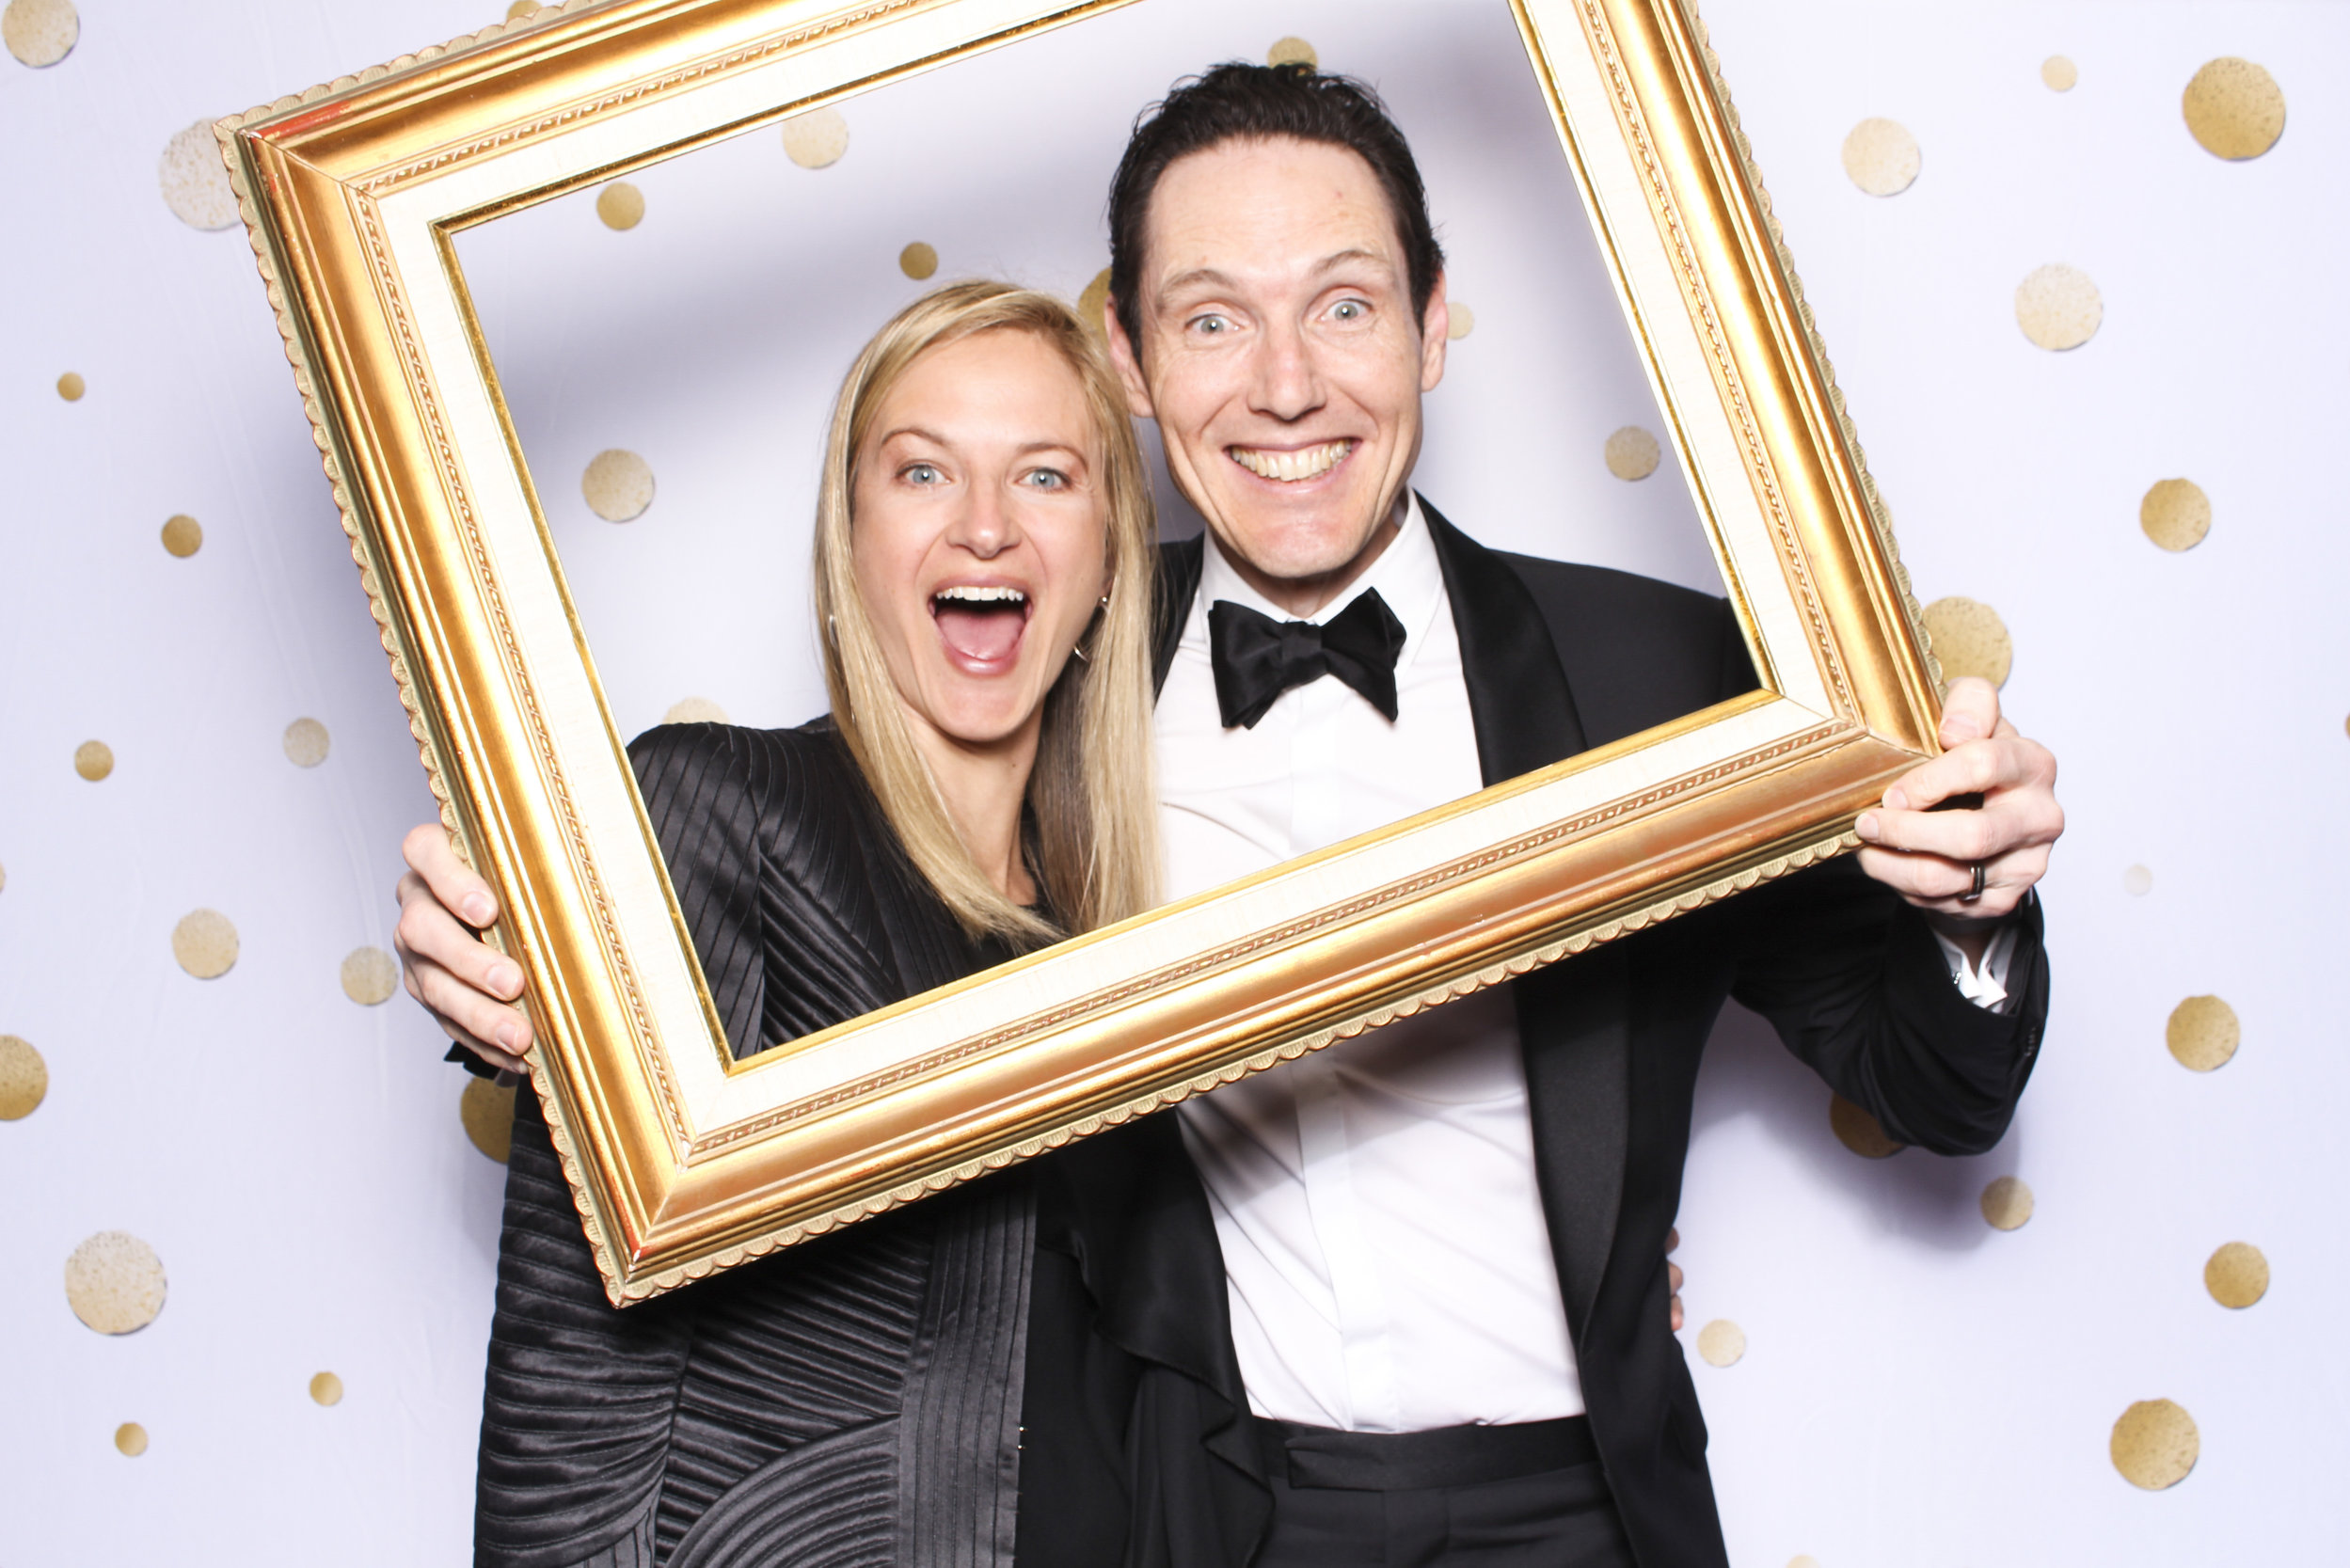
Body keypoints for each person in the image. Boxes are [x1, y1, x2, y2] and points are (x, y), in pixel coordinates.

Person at [405, 64, 2063, 1568]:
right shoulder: (1047, 669)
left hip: (1585, 1510)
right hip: (1195, 1513)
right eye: (1211, 321)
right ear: (1131, 361)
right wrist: (539, 970)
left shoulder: (1670, 674)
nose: (1284, 385)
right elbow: (825, 913)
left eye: (1343, 305)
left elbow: (1935, 1084)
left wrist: (1969, 904)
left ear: (1431, 323)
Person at [408, 279, 1162, 1565]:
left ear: (1109, 554)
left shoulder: (1121, 935)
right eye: (922, 473)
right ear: (849, 538)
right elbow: (571, 1378)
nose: (986, 526)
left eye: (1045, 476)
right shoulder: (723, 809)